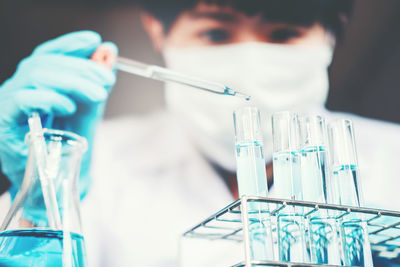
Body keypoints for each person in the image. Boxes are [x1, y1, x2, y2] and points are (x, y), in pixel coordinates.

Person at [1, 0, 400, 266]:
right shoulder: (96, 164)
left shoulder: (392, 159)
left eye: (282, 35)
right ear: (157, 30)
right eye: (216, 34)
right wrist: (41, 193)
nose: (251, 66)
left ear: (333, 35)